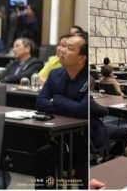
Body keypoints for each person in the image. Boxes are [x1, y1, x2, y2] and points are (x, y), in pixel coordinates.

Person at [36, 33, 88, 189]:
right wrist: (70, 109)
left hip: (85, 140)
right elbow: (40, 103)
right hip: (60, 138)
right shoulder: (55, 74)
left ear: (81, 58)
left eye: (69, 48)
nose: (63, 50)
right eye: (63, 46)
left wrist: (57, 100)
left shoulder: (89, 78)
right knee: (42, 154)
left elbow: (82, 110)